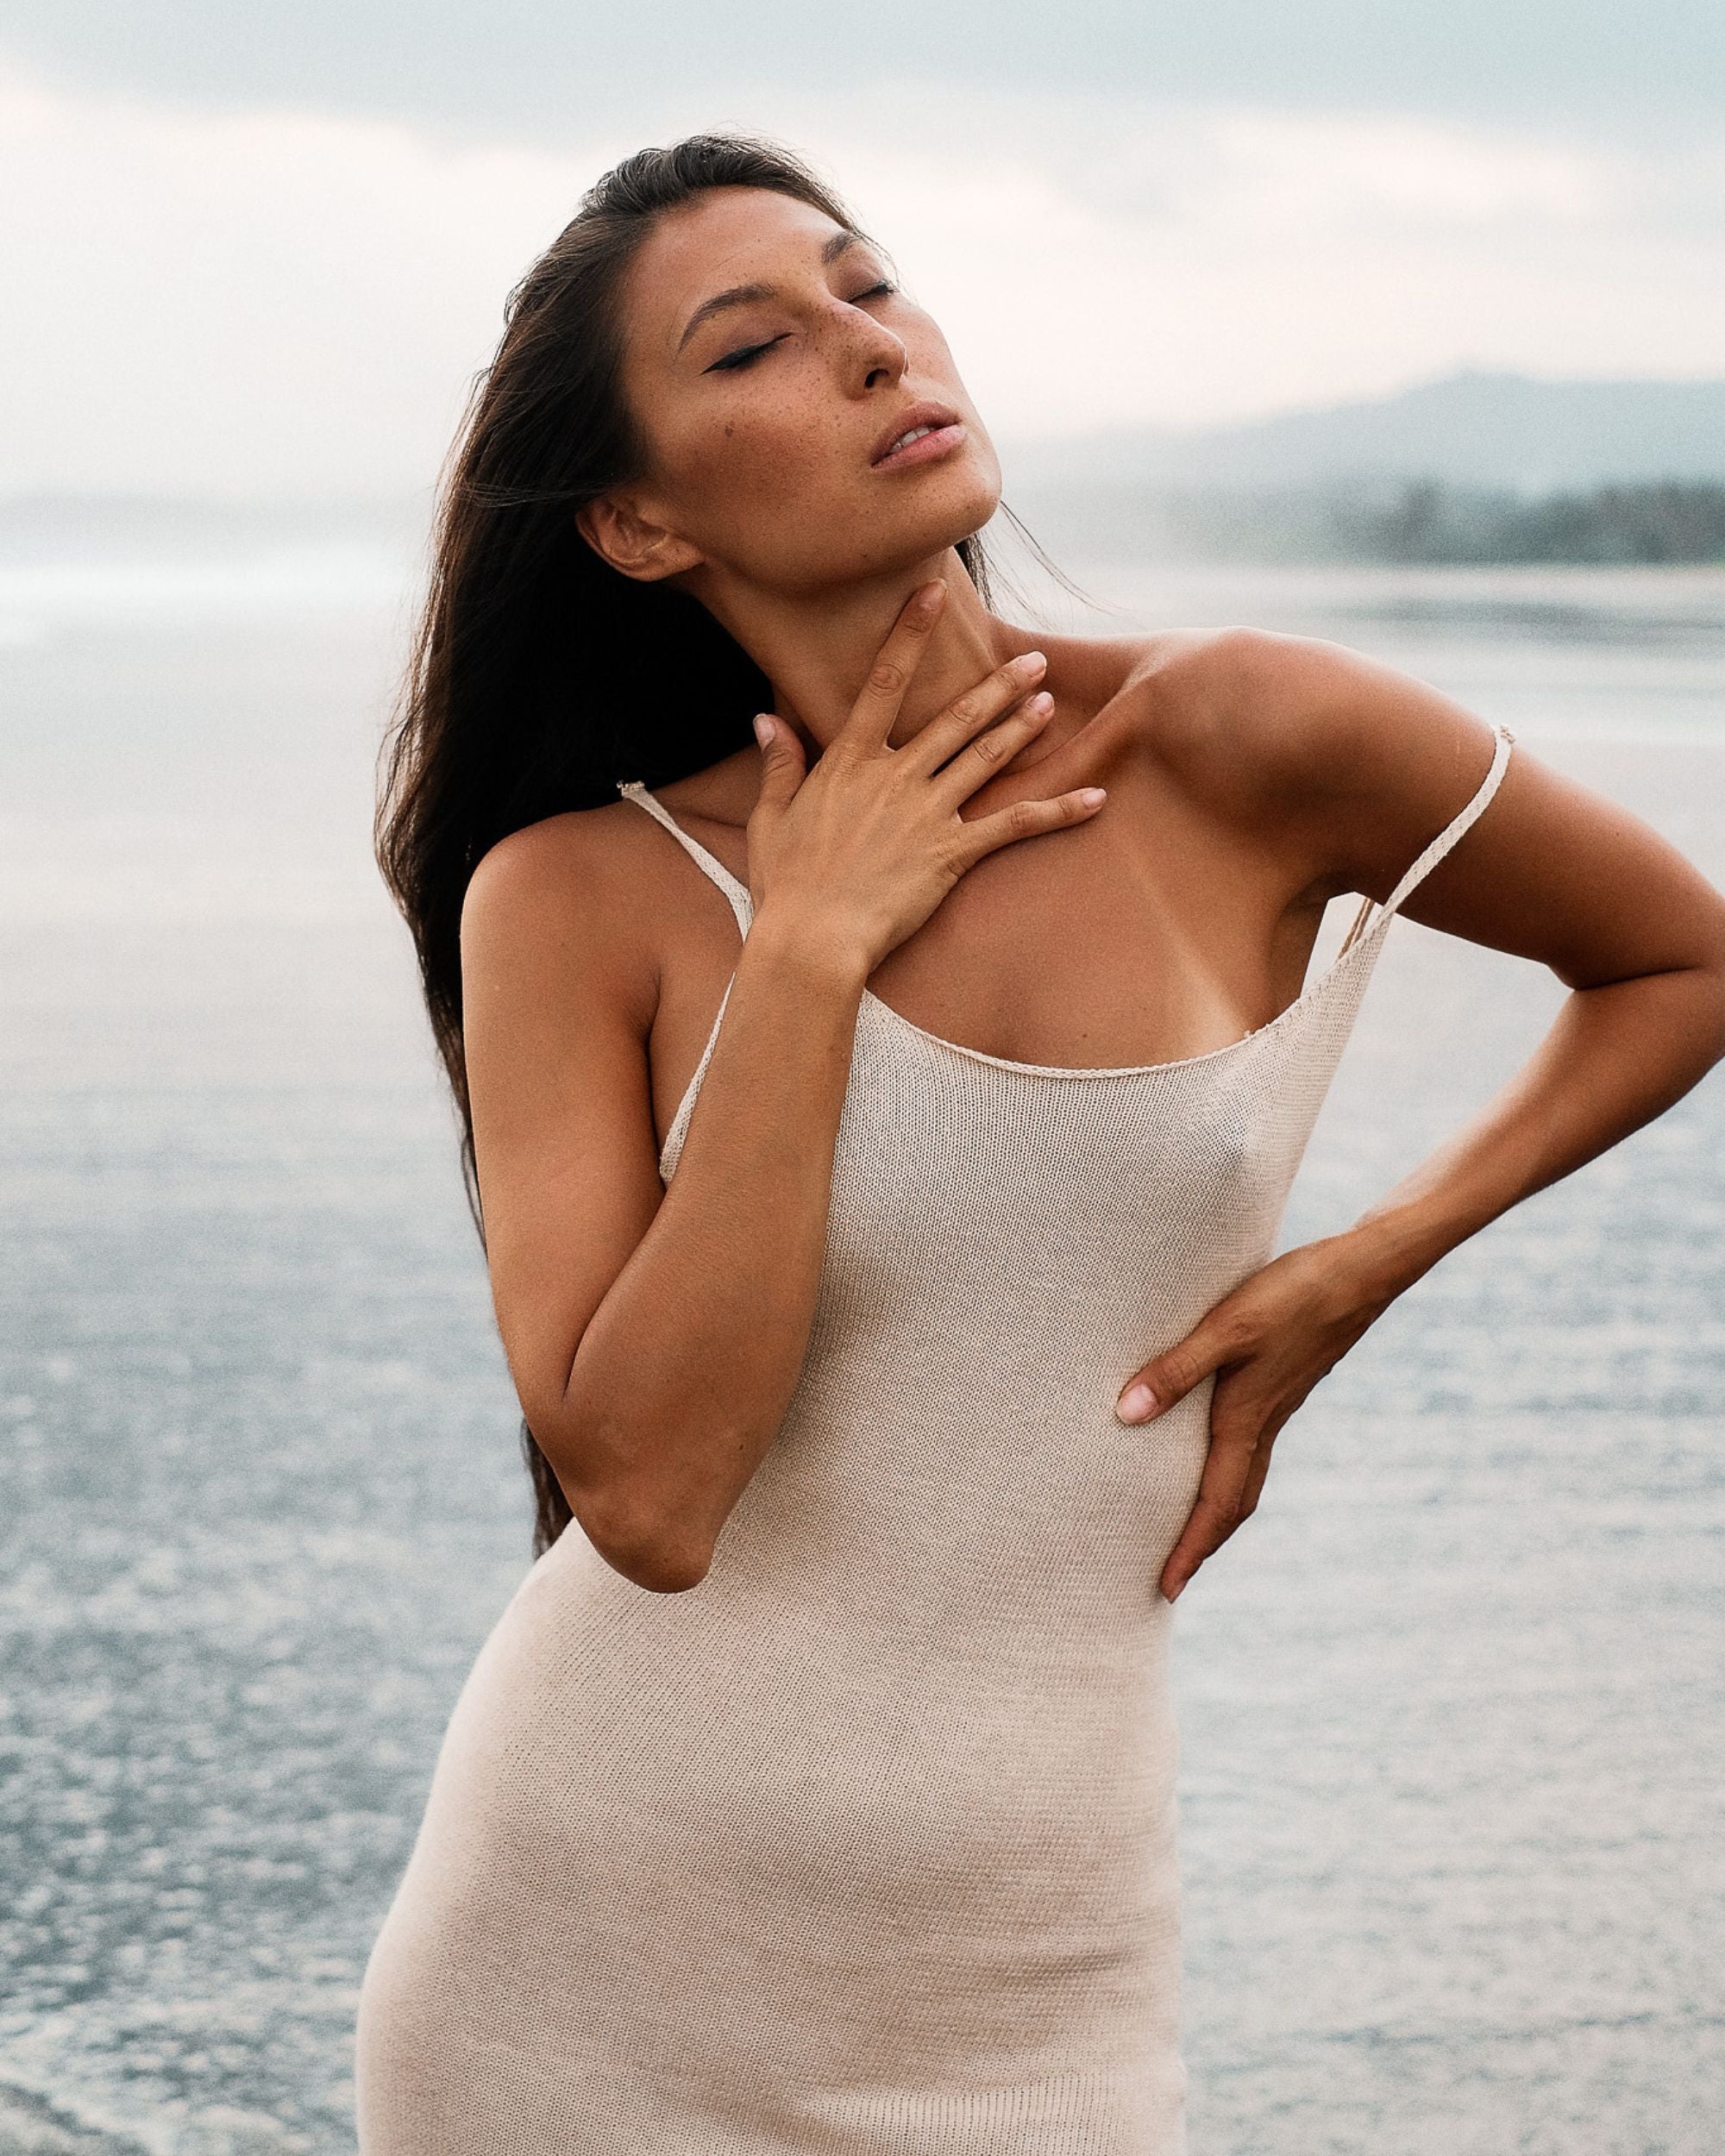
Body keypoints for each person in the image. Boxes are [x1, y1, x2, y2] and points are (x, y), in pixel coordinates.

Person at [353, 132, 1725, 2153]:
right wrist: (808, 947)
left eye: (871, 288)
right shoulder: (575, 893)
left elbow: (1677, 959)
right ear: (640, 524)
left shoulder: (1242, 740)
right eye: (755, 345)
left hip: (1037, 1982)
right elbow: (647, 1491)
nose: (870, 351)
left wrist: (1361, 1264)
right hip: (577, 1985)